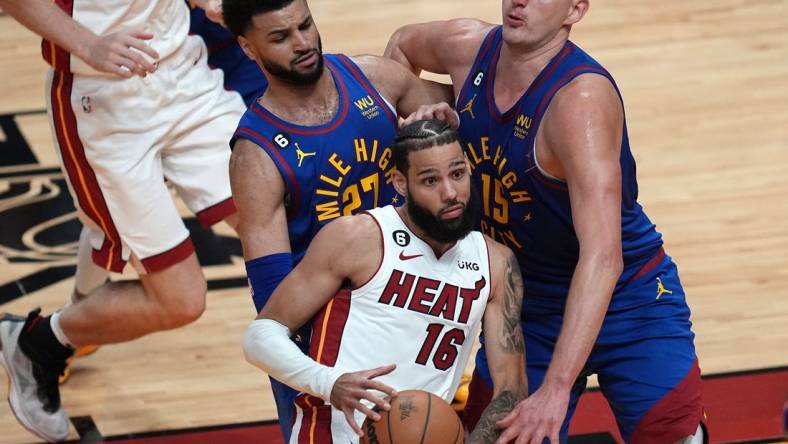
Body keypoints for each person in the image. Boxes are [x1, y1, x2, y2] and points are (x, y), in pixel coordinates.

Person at [385, 1, 704, 443]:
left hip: (626, 300)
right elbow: (401, 48)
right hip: (527, 305)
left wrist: (555, 389)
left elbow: (603, 256)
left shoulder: (580, 101)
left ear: (575, 10)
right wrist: (428, 142)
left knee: (672, 437)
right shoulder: (466, 46)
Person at [0, 0, 246, 441]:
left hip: (188, 76)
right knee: (181, 301)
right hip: (103, 99)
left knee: (274, 220)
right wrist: (88, 45)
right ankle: (37, 343)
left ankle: (320, 381)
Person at [221, 0, 456, 440]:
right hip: (339, 341)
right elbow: (273, 299)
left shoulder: (377, 79)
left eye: (305, 25)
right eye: (280, 37)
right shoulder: (256, 156)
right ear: (247, 49)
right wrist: (319, 381)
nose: (303, 43)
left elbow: (470, 113)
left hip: (422, 308)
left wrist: (448, 122)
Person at [243, 119, 527, 443]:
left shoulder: (495, 262)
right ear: (401, 183)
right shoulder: (358, 237)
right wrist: (330, 383)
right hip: (333, 435)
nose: (450, 192)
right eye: (430, 180)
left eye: (458, 174)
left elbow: (510, 389)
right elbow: (260, 336)